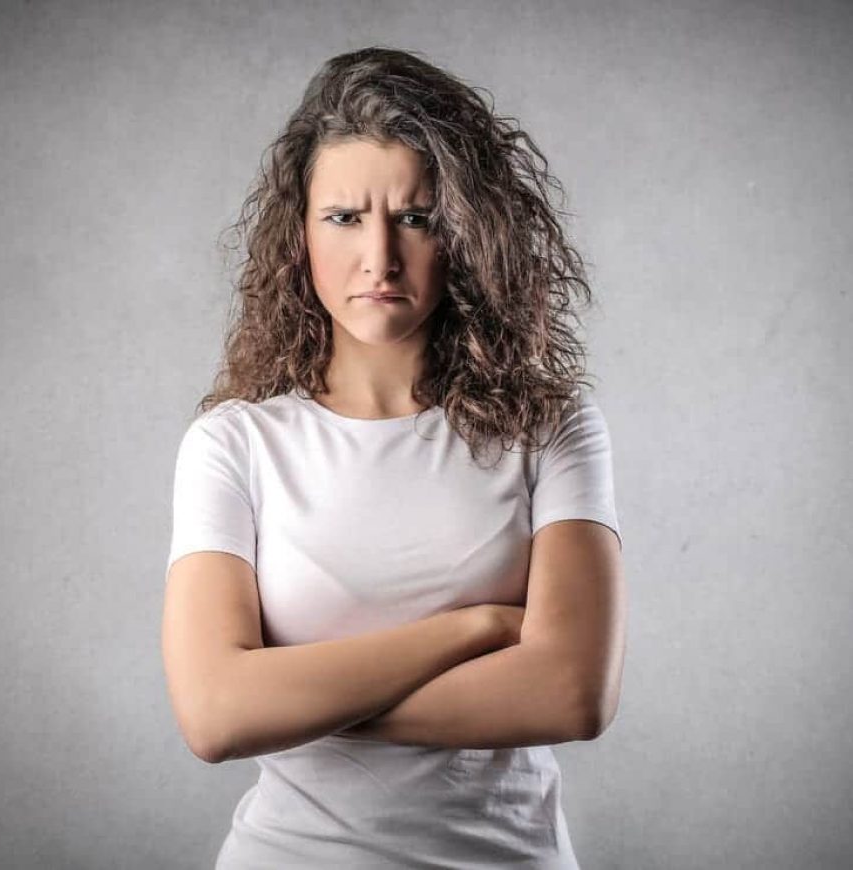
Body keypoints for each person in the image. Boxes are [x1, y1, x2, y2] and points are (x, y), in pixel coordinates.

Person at [162, 45, 626, 869]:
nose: (379, 258)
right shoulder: (232, 446)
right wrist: (475, 629)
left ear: (466, 232)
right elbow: (213, 716)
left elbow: (571, 693)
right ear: (298, 236)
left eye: (415, 217)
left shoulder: (552, 427)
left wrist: (286, 697)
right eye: (344, 218)